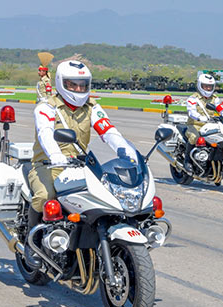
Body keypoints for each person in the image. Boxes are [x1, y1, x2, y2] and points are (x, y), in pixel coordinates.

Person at [27, 60, 139, 225]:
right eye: (73, 85)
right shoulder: (47, 107)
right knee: (46, 195)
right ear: (61, 82)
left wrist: (126, 150)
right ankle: (32, 237)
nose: (78, 89)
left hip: (81, 166)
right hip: (49, 165)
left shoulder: (92, 107)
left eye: (83, 85)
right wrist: (55, 154)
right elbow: (45, 133)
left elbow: (108, 131)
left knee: (109, 195)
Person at [183, 73, 223, 173]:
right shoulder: (193, 98)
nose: (208, 88)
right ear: (200, 86)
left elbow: (222, 109)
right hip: (195, 125)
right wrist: (200, 117)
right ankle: (187, 161)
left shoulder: (215, 99)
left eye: (210, 86)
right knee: (194, 137)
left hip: (210, 125)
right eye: (205, 86)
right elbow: (191, 112)